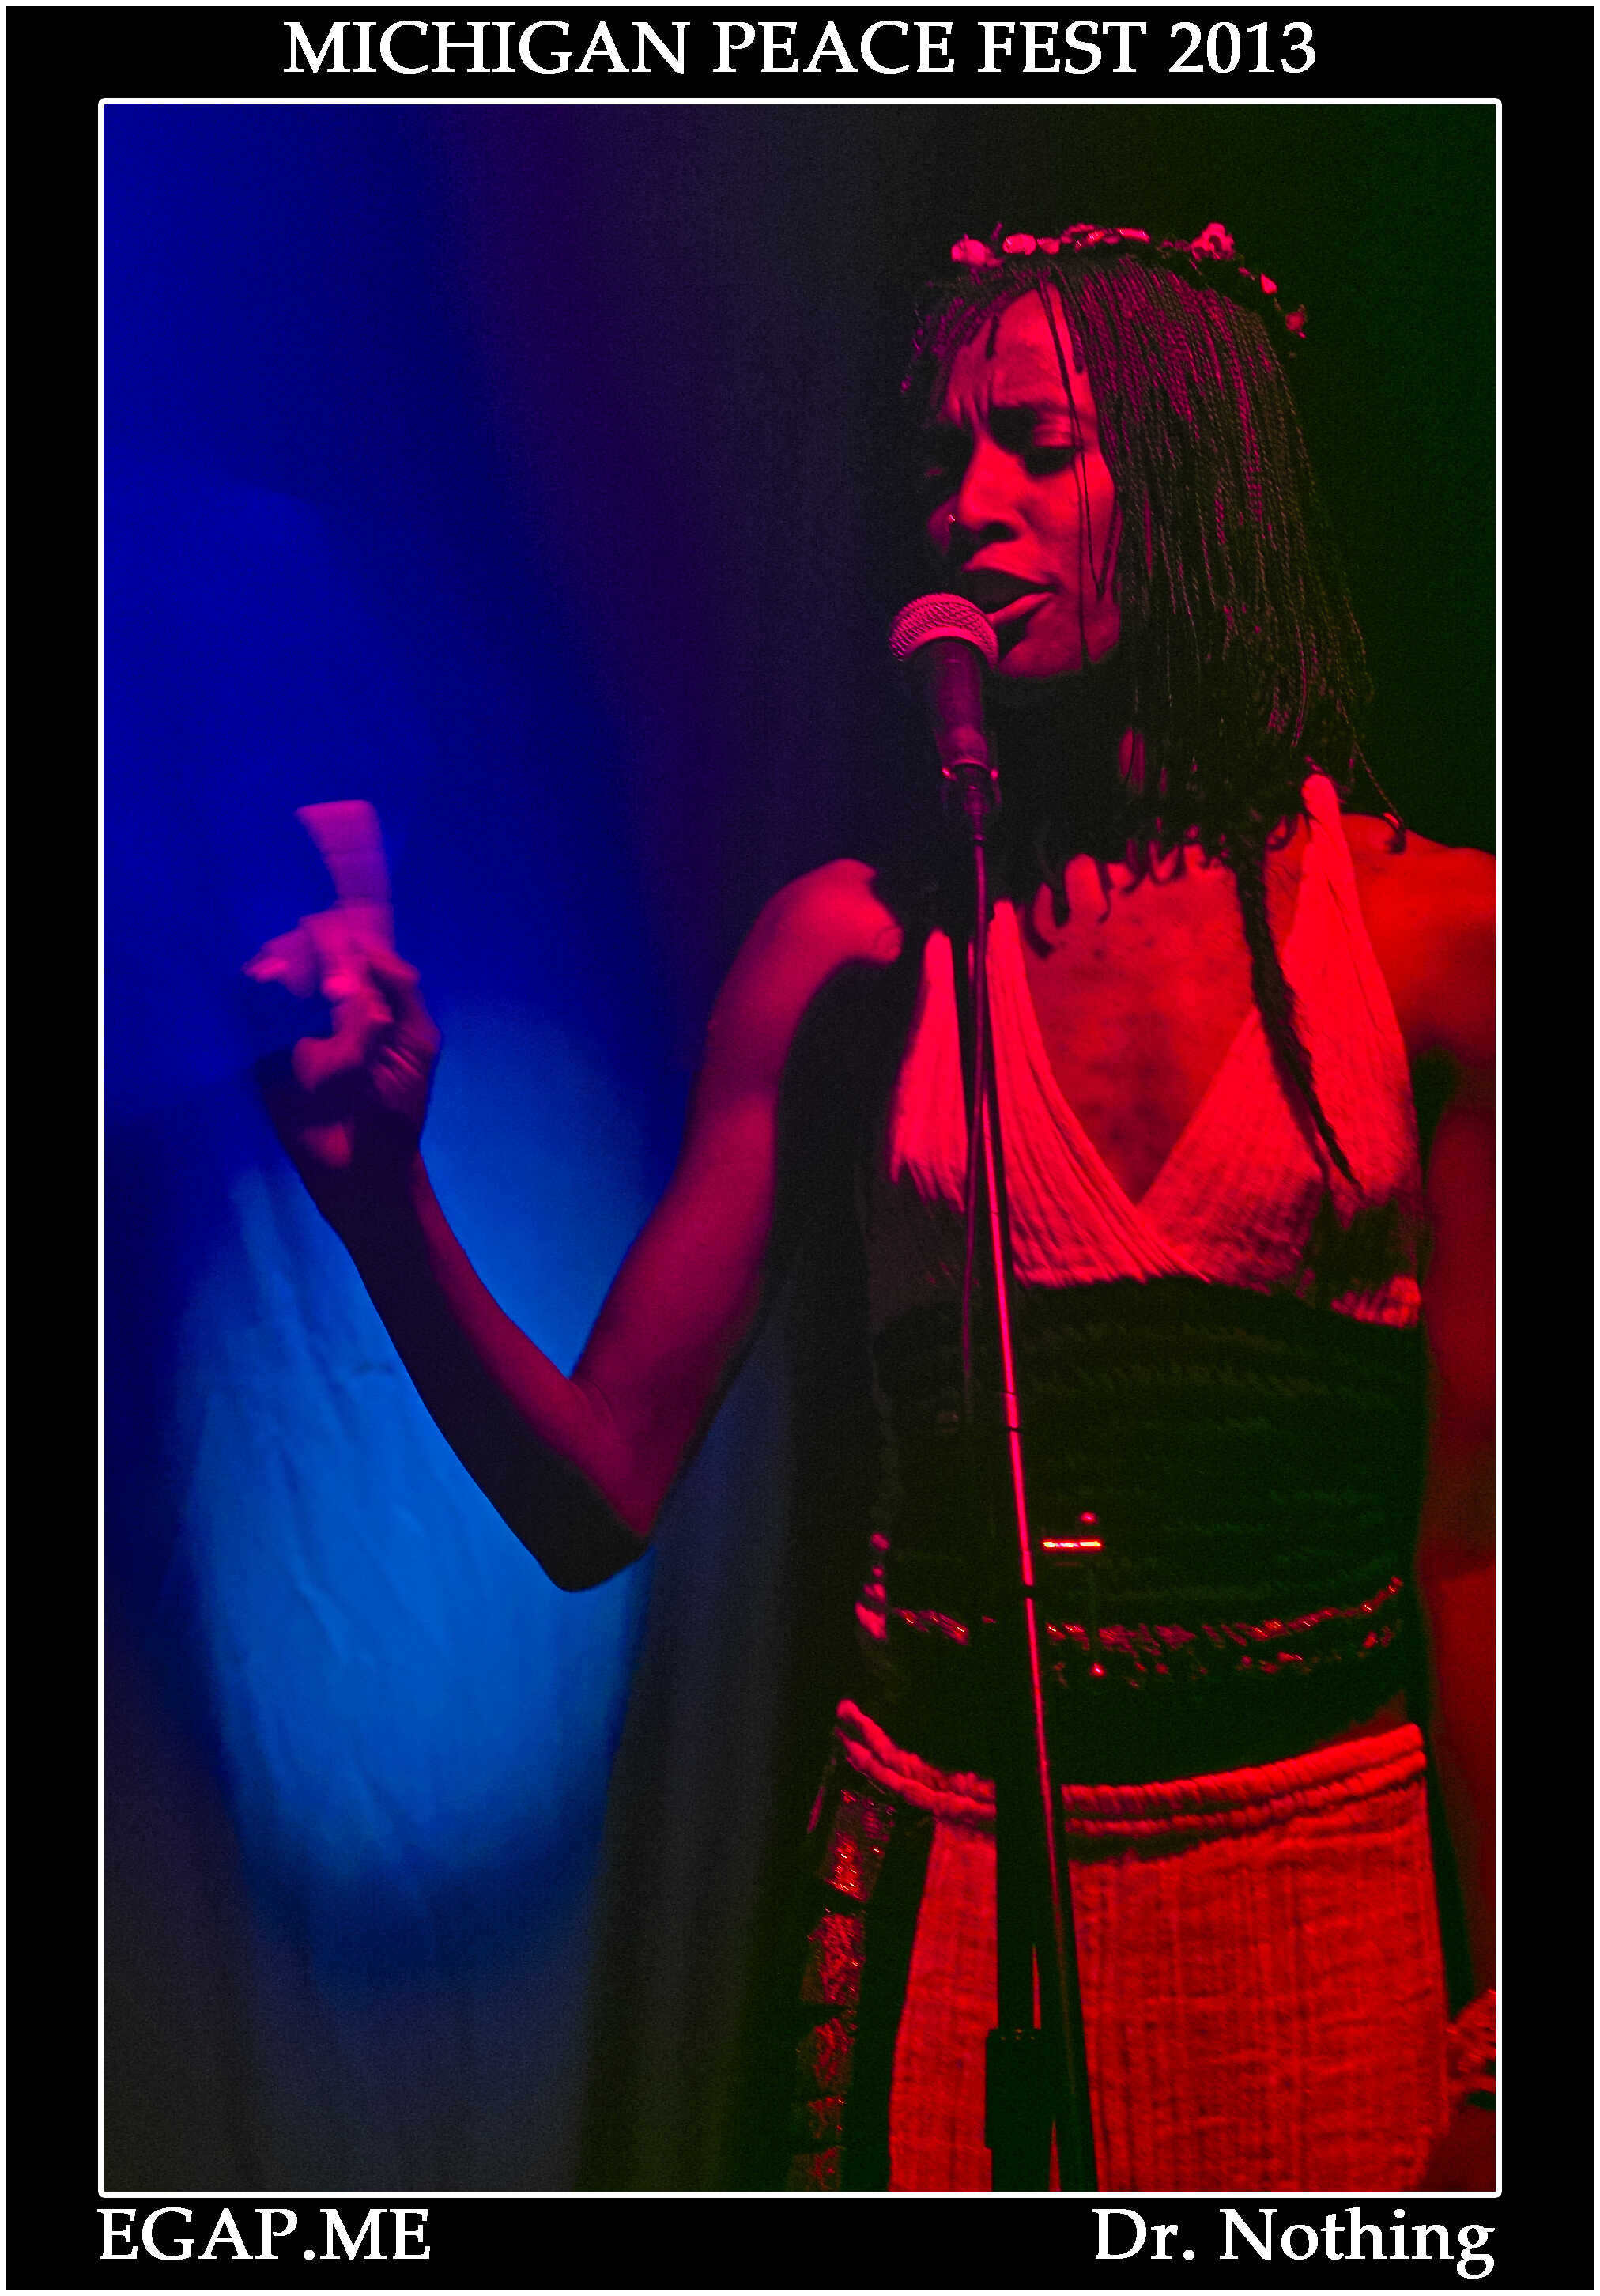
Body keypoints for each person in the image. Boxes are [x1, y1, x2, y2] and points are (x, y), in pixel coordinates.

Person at [255, 222, 1494, 2192]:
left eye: (1040, 449)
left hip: (1318, 1887)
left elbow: (1476, 1547)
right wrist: (384, 1204)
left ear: (1197, 484)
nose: (967, 508)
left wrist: (1500, 2018)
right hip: (944, 1877)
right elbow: (594, 1500)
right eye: (942, 462)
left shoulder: (1437, 944)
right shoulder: (845, 959)